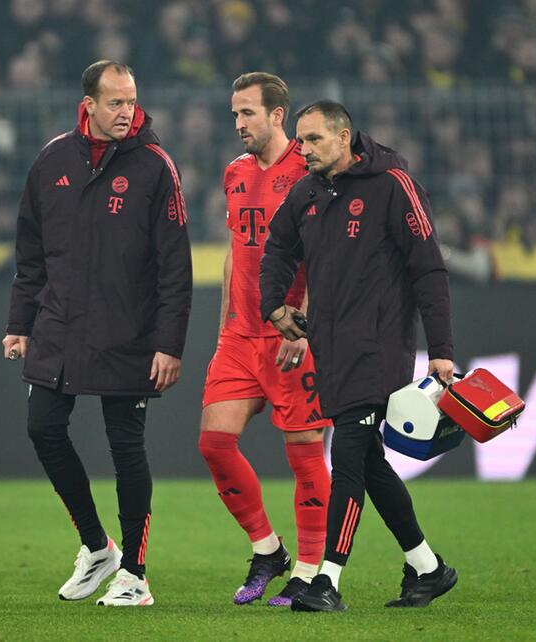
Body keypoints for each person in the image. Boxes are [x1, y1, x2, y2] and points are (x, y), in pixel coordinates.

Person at [3, 60, 192, 607]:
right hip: (59, 327)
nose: (126, 112)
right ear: (88, 104)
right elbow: (30, 255)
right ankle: (96, 546)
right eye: (115, 103)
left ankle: (134, 572)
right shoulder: (52, 160)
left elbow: (175, 268)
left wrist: (169, 343)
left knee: (126, 447)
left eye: (131, 102)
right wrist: (20, 323)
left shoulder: (156, 167)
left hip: (128, 333)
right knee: (43, 429)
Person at [260, 101, 458, 611]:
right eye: (299, 141)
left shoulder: (392, 185)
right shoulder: (306, 194)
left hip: (381, 348)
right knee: (369, 462)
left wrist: (441, 351)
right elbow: (276, 247)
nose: (302, 150)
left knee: (347, 453)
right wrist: (274, 306)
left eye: (313, 140)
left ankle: (327, 581)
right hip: (331, 349)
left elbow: (429, 270)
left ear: (344, 137)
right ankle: (427, 568)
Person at [198, 72, 332, 607]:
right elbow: (236, 249)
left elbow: (327, 258)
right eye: (234, 114)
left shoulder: (309, 170)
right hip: (239, 335)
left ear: (279, 115)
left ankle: (306, 570)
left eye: (247, 113)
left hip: (289, 333)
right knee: (214, 442)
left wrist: (303, 320)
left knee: (303, 453)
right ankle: (267, 548)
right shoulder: (234, 173)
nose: (238, 124)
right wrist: (222, 325)